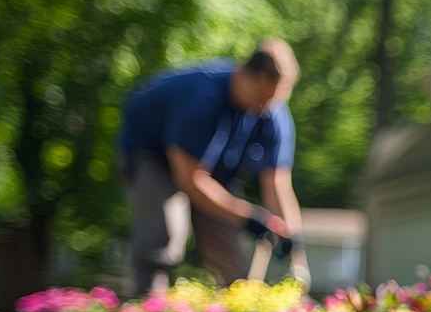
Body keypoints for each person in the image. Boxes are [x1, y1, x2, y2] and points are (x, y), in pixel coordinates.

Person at [116, 38, 309, 295]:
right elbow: (190, 180)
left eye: (272, 101)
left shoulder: (272, 112)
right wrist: (249, 217)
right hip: (154, 156)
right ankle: (145, 307)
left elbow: (277, 183)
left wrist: (292, 243)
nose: (265, 109)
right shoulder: (201, 97)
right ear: (246, 75)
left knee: (229, 253)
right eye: (262, 99)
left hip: (214, 170)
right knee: (162, 236)